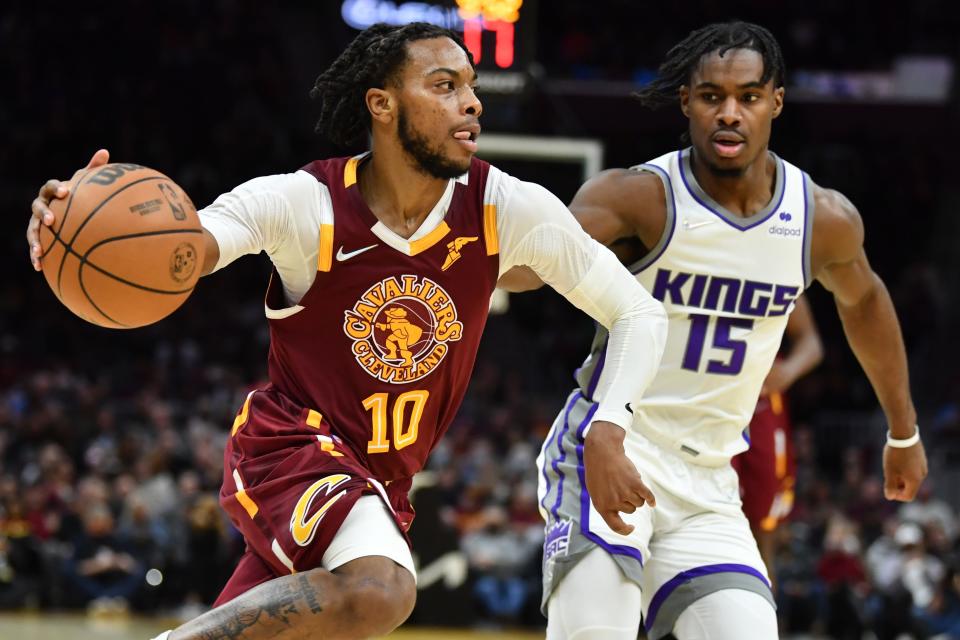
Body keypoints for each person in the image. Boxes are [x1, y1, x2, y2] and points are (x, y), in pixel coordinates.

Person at [26, 23, 668, 640]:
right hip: (292, 448)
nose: (471, 102)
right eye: (444, 86)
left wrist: (609, 425)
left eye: (470, 85)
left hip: (383, 480)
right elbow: (189, 247)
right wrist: (74, 227)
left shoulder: (505, 206)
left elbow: (637, 311)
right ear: (383, 105)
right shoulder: (305, 204)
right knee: (382, 589)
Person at [501, 20, 928, 640]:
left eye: (748, 97)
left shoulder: (821, 220)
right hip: (612, 447)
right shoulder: (639, 197)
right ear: (687, 102)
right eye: (711, 97)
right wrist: (480, 238)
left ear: (775, 101)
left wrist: (903, 430)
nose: (730, 113)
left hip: (709, 481)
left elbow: (864, 303)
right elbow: (527, 269)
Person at [731, 294, 822, 588]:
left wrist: (790, 369)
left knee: (764, 526)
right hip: (706, 397)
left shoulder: (778, 259)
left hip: (762, 401)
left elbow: (812, 343)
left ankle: (765, 619)